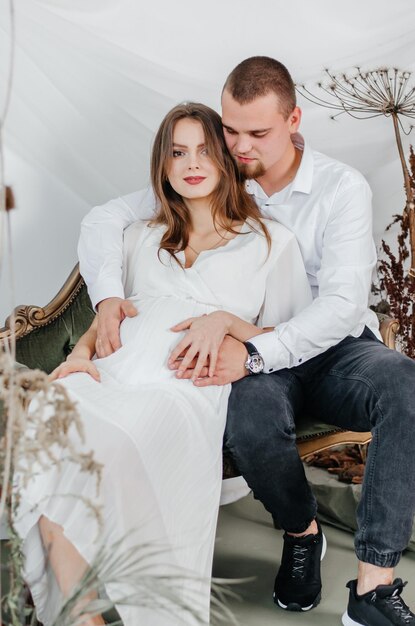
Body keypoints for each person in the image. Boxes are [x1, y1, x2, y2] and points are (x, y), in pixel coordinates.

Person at [78, 57, 415, 626]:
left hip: (331, 348)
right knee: (251, 421)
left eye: (257, 133)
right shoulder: (215, 171)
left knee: (405, 383)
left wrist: (250, 343)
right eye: (229, 130)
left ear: (294, 121)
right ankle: (302, 532)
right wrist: (108, 296)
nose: (238, 145)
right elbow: (106, 218)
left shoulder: (339, 187)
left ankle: (373, 589)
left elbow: (339, 306)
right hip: (254, 353)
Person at [14, 101, 312, 626]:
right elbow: (113, 317)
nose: (191, 163)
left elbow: (291, 341)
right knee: (46, 429)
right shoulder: (139, 236)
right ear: (163, 163)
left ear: (224, 158)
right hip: (112, 372)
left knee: (109, 441)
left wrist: (226, 320)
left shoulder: (270, 242)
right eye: (178, 152)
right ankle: (84, 617)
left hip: (181, 387)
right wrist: (80, 356)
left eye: (203, 150)